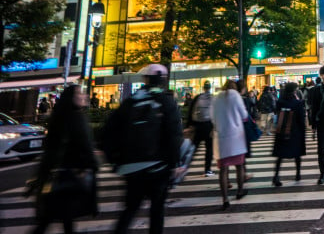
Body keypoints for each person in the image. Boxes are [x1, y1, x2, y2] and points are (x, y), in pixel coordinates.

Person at [106, 64, 182, 233]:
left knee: (130, 209)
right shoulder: (165, 101)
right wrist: (175, 162)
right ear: (163, 80)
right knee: (157, 211)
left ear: (145, 79)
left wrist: (115, 159)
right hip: (158, 166)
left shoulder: (131, 101)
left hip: (131, 166)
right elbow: (174, 133)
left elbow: (110, 130)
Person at [31, 84, 98, 234]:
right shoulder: (76, 117)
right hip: (70, 174)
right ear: (72, 98)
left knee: (57, 216)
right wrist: (93, 164)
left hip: (57, 174)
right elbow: (85, 144)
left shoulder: (59, 117)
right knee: (57, 216)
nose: (84, 96)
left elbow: (50, 149)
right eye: (79, 93)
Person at [212, 80, 249, 210]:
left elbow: (212, 118)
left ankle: (225, 199)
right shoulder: (235, 95)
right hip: (235, 137)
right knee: (239, 166)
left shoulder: (216, 98)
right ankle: (240, 191)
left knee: (223, 170)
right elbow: (244, 115)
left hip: (221, 138)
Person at [272, 82, 307, 185]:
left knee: (280, 155)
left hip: (281, 132)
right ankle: (298, 174)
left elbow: (277, 114)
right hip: (294, 132)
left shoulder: (280, 102)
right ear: (294, 91)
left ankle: (276, 175)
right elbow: (301, 119)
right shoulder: (297, 103)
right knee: (297, 154)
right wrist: (303, 131)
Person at [187, 80, 215, 176]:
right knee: (209, 149)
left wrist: (190, 125)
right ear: (210, 88)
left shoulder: (198, 97)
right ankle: (207, 170)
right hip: (209, 125)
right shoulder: (213, 98)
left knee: (194, 147)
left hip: (198, 125)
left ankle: (185, 166)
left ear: (203, 88)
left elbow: (191, 111)